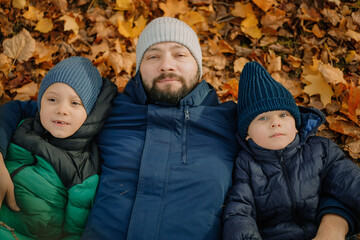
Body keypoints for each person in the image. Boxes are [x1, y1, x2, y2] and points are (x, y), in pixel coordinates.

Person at [0, 17, 357, 240]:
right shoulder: (107, 108)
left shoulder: (234, 121)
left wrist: (333, 227)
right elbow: (21, 111)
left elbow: (312, 170)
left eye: (180, 54)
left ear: (199, 67)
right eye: (153, 56)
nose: (166, 65)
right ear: (140, 68)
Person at [223, 61, 360, 240]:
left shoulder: (321, 150)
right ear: (247, 134)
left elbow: (350, 181)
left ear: (296, 125)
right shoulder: (246, 165)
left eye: (283, 115)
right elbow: (239, 213)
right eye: (263, 118)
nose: (275, 122)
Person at [0, 56, 117, 240]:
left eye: (75, 103)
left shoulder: (83, 170)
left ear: (89, 113)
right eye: (52, 99)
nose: (62, 109)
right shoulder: (22, 125)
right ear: (40, 102)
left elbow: (74, 232)